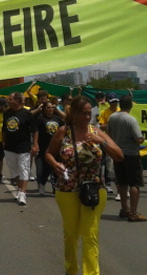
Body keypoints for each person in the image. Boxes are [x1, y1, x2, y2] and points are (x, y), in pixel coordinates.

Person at [46, 95, 123, 275]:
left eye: (89, 113)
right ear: (73, 114)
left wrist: (101, 142)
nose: (87, 117)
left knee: (90, 234)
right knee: (71, 234)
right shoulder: (63, 132)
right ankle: (71, 270)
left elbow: (119, 156)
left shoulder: (96, 132)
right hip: (67, 189)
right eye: (83, 113)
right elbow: (49, 153)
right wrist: (55, 164)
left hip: (94, 189)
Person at [107, 95, 147, 221]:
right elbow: (138, 138)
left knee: (122, 183)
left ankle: (125, 209)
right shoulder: (131, 120)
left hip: (118, 153)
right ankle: (133, 213)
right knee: (134, 184)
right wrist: (143, 139)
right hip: (131, 154)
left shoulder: (112, 117)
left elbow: (109, 134)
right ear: (131, 105)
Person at [3, 91, 39, 206]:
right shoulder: (7, 113)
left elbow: (35, 130)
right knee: (14, 171)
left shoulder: (26, 114)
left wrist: (35, 144)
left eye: (10, 99)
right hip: (9, 147)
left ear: (17, 101)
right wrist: (3, 142)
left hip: (23, 147)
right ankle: (20, 188)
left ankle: (23, 193)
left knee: (24, 169)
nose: (8, 101)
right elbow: (4, 129)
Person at [35, 101, 64, 195]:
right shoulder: (40, 119)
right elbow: (37, 133)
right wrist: (35, 144)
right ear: (44, 109)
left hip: (57, 147)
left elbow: (64, 126)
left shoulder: (58, 119)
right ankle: (42, 185)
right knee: (46, 168)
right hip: (45, 147)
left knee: (57, 167)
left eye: (52, 107)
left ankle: (56, 187)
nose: (50, 109)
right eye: (48, 107)